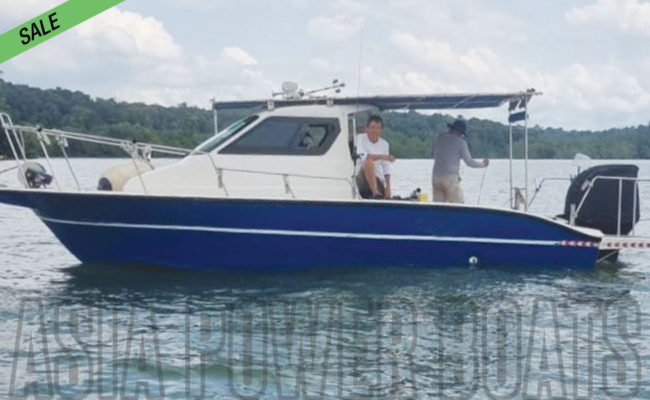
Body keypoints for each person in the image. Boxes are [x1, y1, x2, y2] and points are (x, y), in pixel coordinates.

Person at [431, 119, 489, 203]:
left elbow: (433, 154)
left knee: (438, 208)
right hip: (450, 179)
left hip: (436, 177)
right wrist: (483, 164)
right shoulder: (461, 142)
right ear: (460, 132)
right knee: (459, 207)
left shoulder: (439, 137)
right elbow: (469, 162)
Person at [355, 115, 395, 199]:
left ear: (381, 130)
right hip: (361, 178)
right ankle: (375, 193)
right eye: (372, 127)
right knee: (368, 161)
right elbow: (364, 156)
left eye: (378, 128)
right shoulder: (359, 139)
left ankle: (380, 193)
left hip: (378, 180)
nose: (375, 130)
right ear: (367, 128)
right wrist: (383, 156)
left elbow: (386, 166)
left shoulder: (384, 144)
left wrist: (388, 186)